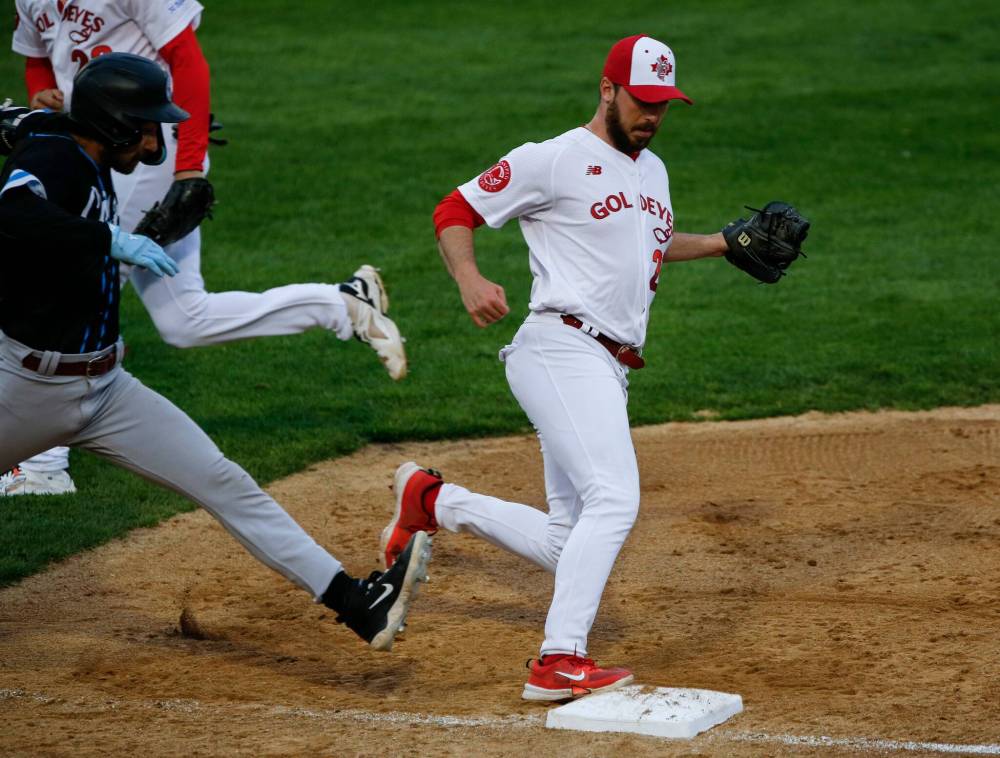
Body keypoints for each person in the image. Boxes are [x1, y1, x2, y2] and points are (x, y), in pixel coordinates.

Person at [0, 53, 429, 650]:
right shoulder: (56, 159)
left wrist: (15, 120)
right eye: (147, 126)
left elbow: (23, 124)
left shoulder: (61, 137)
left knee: (224, 481)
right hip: (24, 388)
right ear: (114, 124)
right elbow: (13, 212)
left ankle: (360, 604)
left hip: (106, 389)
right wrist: (111, 239)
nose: (156, 140)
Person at [380, 35, 738, 701]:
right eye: (643, 102)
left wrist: (722, 244)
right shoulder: (552, 160)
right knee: (616, 498)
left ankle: (430, 501)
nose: (653, 116)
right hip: (561, 349)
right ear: (608, 90)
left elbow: (645, 247)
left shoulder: (651, 171)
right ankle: (558, 659)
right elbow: (454, 210)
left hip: (606, 366)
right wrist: (469, 277)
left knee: (565, 539)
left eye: (665, 105)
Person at [4, 0, 406, 495]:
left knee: (68, 275)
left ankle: (42, 467)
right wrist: (45, 112)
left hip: (144, 153)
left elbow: (187, 58)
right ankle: (340, 304)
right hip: (88, 145)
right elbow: (37, 55)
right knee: (183, 319)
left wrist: (189, 165)